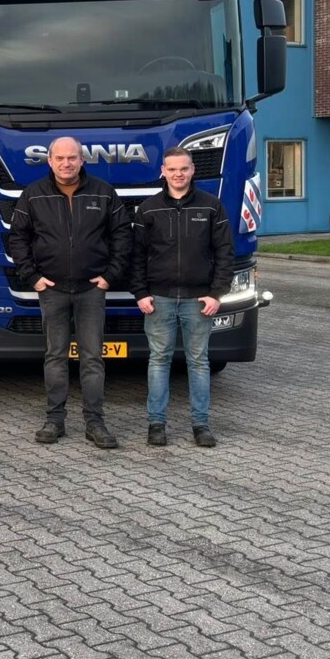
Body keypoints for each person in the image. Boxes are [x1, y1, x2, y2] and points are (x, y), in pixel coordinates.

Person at [8, 136, 132, 449]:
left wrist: (110, 276)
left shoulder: (103, 193)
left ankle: (95, 423)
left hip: (92, 290)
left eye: (72, 158)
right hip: (53, 289)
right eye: (60, 158)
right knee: (55, 357)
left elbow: (122, 236)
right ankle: (55, 420)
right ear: (49, 161)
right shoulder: (33, 195)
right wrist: (33, 277)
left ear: (82, 160)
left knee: (92, 358)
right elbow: (17, 239)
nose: (66, 163)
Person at [130, 146, 234, 449]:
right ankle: (156, 424)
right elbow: (136, 256)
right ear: (163, 171)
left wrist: (216, 293)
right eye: (172, 169)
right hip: (158, 299)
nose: (178, 174)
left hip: (199, 299)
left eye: (184, 168)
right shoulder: (148, 209)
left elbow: (225, 252)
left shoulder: (211, 206)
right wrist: (141, 293)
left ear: (192, 170)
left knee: (199, 362)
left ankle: (201, 425)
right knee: (158, 361)